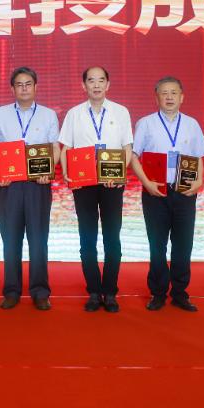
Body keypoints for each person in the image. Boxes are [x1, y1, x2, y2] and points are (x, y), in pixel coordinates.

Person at [58, 66, 133, 313]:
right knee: (87, 238)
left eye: (101, 80)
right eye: (91, 81)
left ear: (108, 84)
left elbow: (127, 148)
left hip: (112, 184)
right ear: (84, 85)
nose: (96, 85)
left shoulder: (121, 112)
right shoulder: (74, 114)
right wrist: (67, 173)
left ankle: (110, 292)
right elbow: (66, 148)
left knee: (112, 238)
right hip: (84, 185)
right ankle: (93, 291)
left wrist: (120, 174)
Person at [129, 77, 204, 311]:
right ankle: (158, 292)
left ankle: (180, 293)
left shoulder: (191, 124)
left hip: (184, 191)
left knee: (183, 244)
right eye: (164, 93)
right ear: (157, 98)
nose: (169, 97)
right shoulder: (146, 123)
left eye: (174, 92)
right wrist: (146, 183)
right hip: (155, 191)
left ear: (182, 97)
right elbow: (134, 156)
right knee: (157, 245)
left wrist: (200, 180)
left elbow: (198, 157)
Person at [0, 66, 60, 311]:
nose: (24, 88)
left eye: (28, 84)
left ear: (36, 87)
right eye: (19, 84)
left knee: (39, 240)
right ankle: (11, 290)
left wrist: (49, 170)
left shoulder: (48, 114)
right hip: (10, 186)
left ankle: (40, 291)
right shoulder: (1, 113)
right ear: (12, 89)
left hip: (38, 186)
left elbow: (55, 147)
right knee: (11, 239)